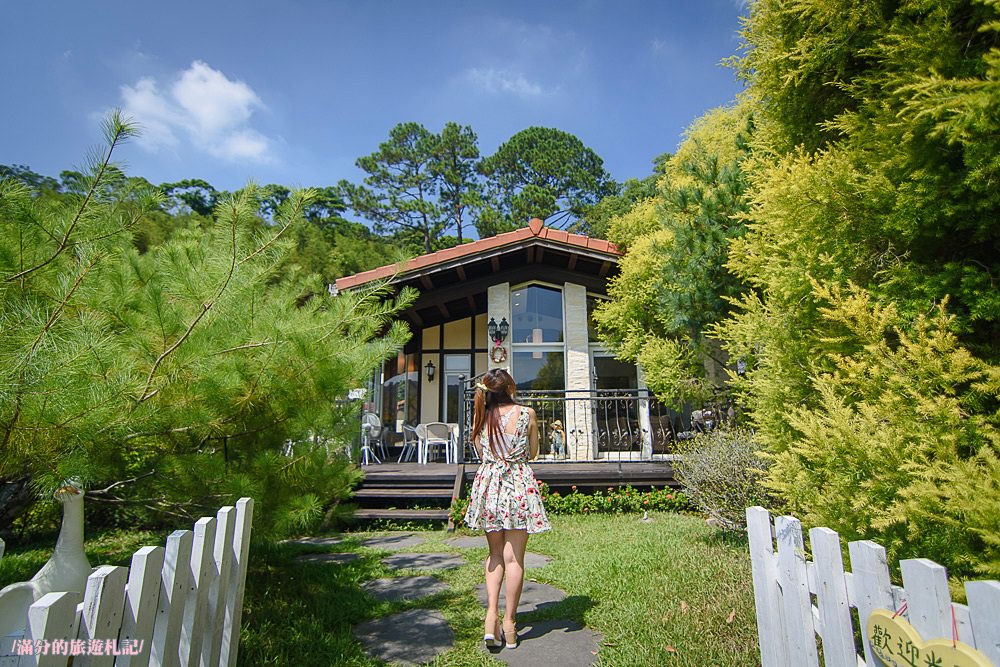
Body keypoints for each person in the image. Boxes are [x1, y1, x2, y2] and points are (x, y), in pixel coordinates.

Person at [463, 368, 550, 650]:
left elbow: (479, 450)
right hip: (518, 485)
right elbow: (534, 452)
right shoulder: (528, 414)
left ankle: (491, 618)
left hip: (489, 486)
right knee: (515, 559)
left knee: (495, 554)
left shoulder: (481, 416)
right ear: (510, 388)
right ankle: (510, 624)